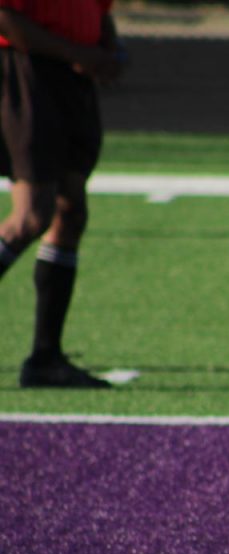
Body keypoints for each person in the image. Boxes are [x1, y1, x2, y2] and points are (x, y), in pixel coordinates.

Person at [0, 0, 124, 388]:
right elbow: (6, 18)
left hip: (71, 76)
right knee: (30, 216)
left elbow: (100, 12)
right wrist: (78, 53)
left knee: (70, 213)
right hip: (24, 68)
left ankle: (45, 357)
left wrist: (109, 51)